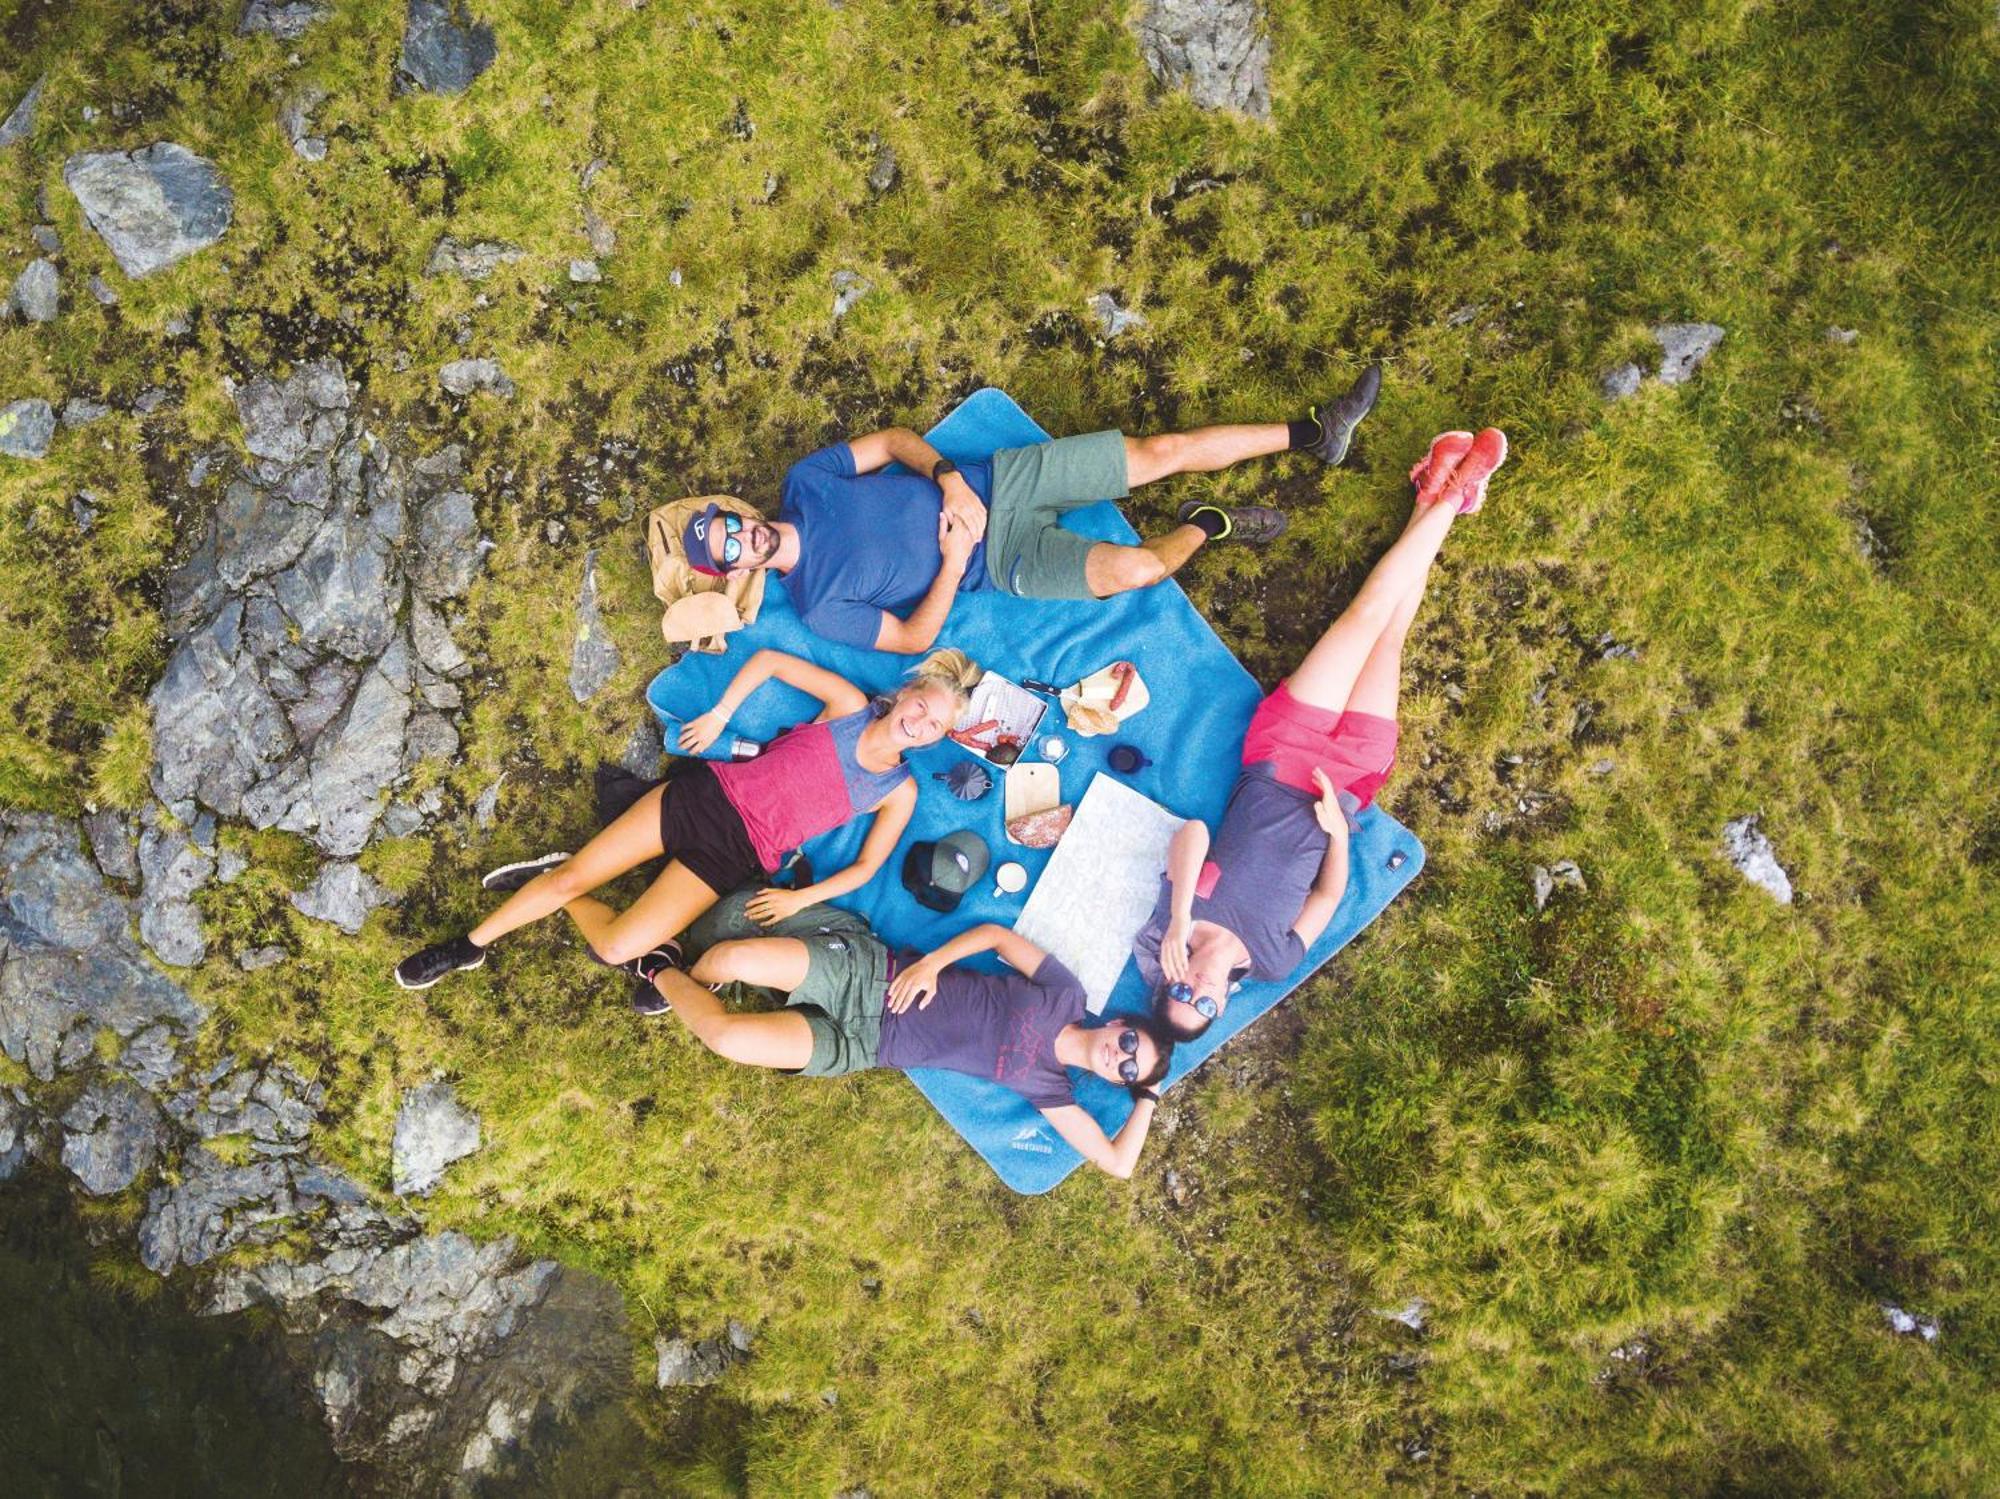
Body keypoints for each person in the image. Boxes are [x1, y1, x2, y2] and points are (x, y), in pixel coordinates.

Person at [1134, 427, 1509, 1039]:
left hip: (1281, 755)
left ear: (1168, 975)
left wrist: (1177, 918)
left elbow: (1195, 833)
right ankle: (1435, 493)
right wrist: (1338, 835)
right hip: (1346, 786)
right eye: (1204, 1007)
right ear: (1221, 1010)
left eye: (1180, 992)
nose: (1198, 991)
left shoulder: (1179, 921)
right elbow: (1327, 899)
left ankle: (1454, 495)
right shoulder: (1272, 963)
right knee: (1391, 638)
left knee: (1363, 617)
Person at [392, 647, 984, 991]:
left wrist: (800, 903)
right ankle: (468, 946)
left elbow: (865, 868)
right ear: (907, 694)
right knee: (577, 877)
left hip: (733, 856)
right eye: (923, 708)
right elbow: (772, 661)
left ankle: (552, 884)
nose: (922, 724)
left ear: (940, 738)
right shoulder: (849, 707)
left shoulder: (897, 790)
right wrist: (721, 715)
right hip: (706, 798)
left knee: (617, 949)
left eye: (936, 726)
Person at [680, 368, 1384, 653]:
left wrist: (951, 479)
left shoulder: (807, 482)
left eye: (731, 522)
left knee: (1160, 448)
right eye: (730, 548)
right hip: (1000, 562)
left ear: (738, 509)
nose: (744, 536)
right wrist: (954, 564)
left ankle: (1315, 434)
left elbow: (894, 440)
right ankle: (1210, 522)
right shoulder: (817, 605)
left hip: (1002, 482)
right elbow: (915, 640)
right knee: (1136, 569)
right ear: (733, 572)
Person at [629, 891, 1175, 1179]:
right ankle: (692, 969)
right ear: (1120, 1024)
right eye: (1130, 1044)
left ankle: (658, 968)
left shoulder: (1052, 1091)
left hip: (866, 1047)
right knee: (731, 956)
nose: (1120, 1057)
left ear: (1114, 1078)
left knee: (726, 1038)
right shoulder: (1067, 996)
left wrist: (1149, 1095)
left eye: (1127, 1069)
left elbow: (1118, 1166)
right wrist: (933, 964)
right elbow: (995, 936)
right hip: (872, 975)